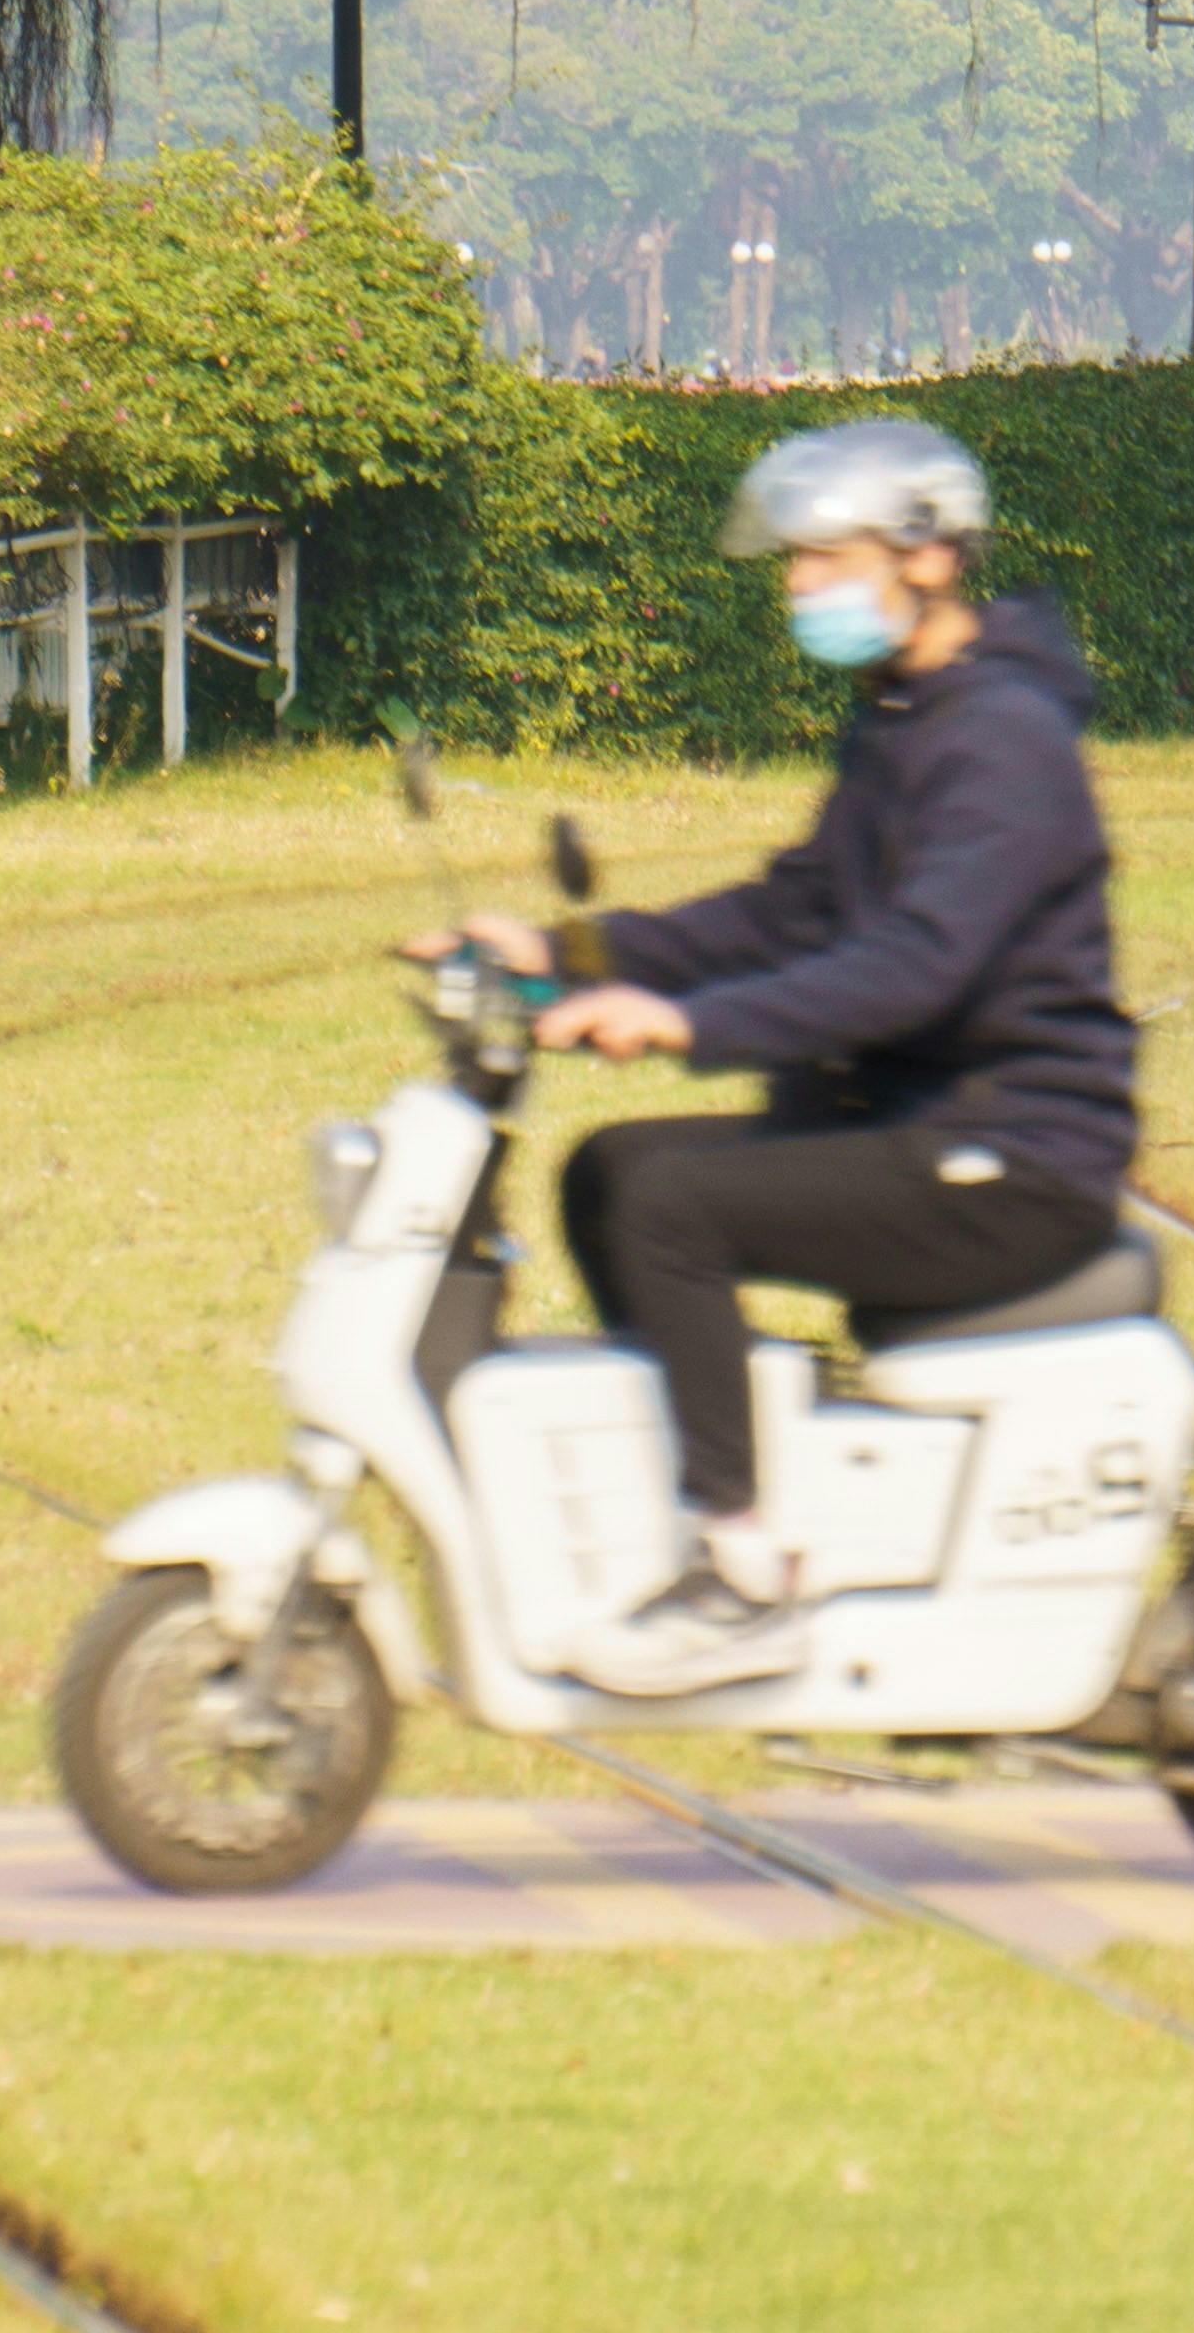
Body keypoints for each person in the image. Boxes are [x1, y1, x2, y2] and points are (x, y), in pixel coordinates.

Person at [484, 421, 1136, 1694]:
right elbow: (794, 913)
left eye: (823, 559)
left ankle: (740, 1579)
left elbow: (916, 964)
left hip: (1011, 1153)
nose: (798, 588)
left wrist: (690, 1023)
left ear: (929, 557)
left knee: (670, 1201)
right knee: (611, 1173)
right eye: (792, 563)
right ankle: (712, 1500)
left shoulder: (997, 736)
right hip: (924, 1124)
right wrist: (572, 956)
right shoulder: (905, 715)